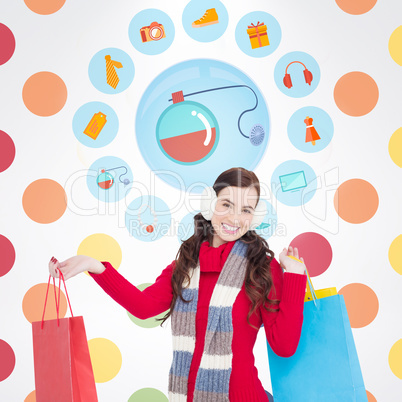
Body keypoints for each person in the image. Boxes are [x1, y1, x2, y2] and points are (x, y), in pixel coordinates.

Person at [49, 167, 307, 402]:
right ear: (210, 205)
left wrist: (295, 276)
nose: (235, 218)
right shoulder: (186, 265)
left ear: (254, 216)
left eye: (246, 210)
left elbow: (284, 346)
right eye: (227, 204)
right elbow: (143, 307)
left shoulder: (261, 268)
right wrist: (94, 265)